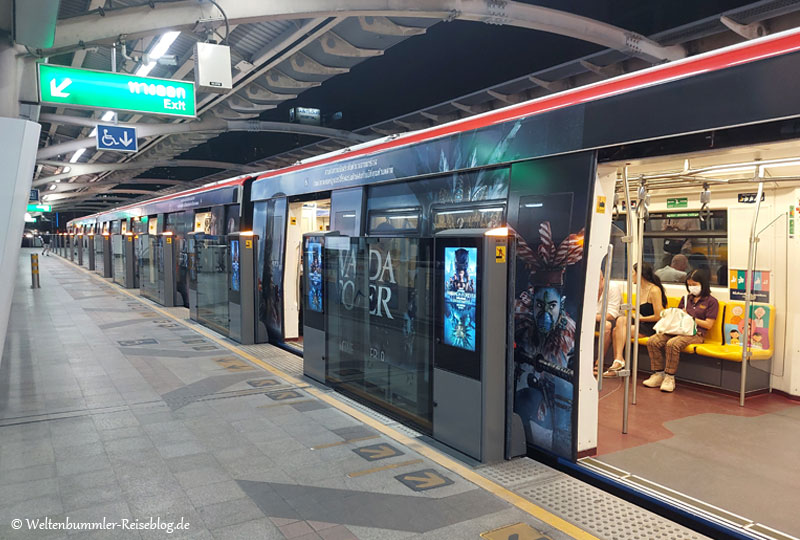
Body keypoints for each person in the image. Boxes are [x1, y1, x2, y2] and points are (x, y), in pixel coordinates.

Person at [644, 268, 719, 392]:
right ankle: (658, 374)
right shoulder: (685, 299)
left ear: (703, 284)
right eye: (689, 285)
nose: (691, 288)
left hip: (696, 333)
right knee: (653, 341)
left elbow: (708, 325)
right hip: (679, 330)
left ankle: (669, 377)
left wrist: (691, 317)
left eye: (694, 285)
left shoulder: (711, 302)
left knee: (672, 344)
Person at [605, 262, 666, 376]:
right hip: (641, 322)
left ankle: (618, 363)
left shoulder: (654, 290)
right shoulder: (640, 288)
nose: (631, 275)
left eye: (633, 272)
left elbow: (658, 315)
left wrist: (640, 319)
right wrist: (634, 310)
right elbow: (642, 309)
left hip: (651, 325)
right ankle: (618, 360)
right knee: (621, 320)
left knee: (616, 331)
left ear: (640, 274)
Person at [596, 271, 621, 361]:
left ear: (602, 279)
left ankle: (600, 360)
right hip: (591, 319)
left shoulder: (612, 287)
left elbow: (611, 315)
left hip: (610, 320)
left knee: (606, 325)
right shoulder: (586, 288)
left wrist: (591, 317)